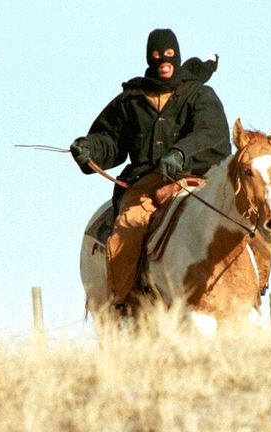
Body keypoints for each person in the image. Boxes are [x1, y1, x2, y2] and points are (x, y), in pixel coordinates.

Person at [70, 29, 231, 309]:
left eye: (169, 55)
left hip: (195, 178)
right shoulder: (131, 100)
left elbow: (211, 131)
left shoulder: (199, 95)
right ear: (149, 57)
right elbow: (110, 140)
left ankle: (252, 290)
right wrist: (89, 148)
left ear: (177, 56)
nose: (163, 61)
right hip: (145, 183)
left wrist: (181, 152)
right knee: (129, 224)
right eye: (157, 55)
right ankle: (123, 303)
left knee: (245, 215)